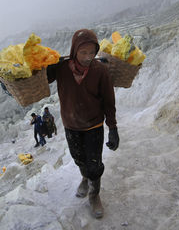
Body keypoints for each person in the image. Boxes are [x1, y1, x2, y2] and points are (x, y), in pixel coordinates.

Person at [47, 29, 119, 219]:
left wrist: (112, 128)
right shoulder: (61, 69)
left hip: (93, 125)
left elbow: (109, 101)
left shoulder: (100, 70)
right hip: (71, 124)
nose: (88, 57)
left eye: (92, 52)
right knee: (78, 158)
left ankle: (95, 195)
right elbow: (40, 79)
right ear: (74, 51)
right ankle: (85, 177)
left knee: (94, 164)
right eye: (83, 52)